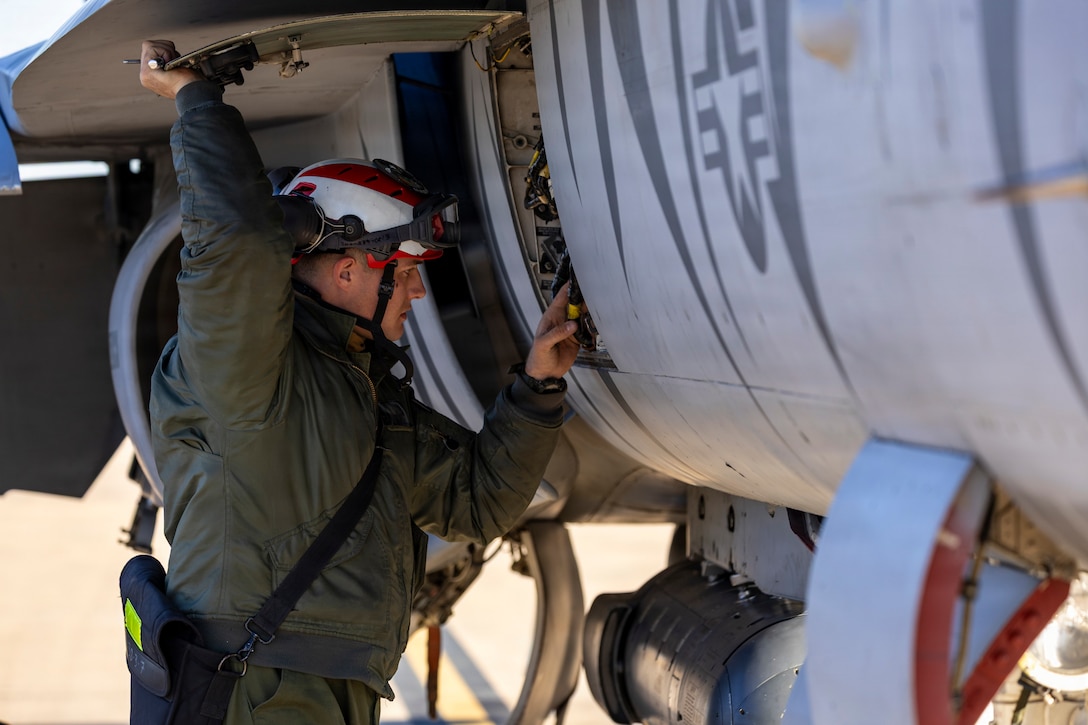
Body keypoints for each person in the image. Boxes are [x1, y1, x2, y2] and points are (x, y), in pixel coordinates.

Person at [137, 39, 579, 724]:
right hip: (255, 687)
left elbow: (475, 502)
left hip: (323, 684)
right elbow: (239, 242)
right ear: (350, 270)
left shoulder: (367, 395)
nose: (418, 295)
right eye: (405, 274)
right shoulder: (245, 369)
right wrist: (199, 103)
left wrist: (538, 387)